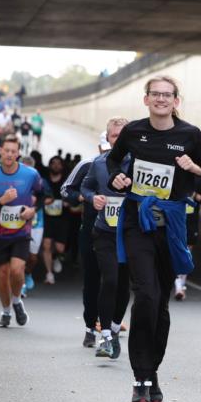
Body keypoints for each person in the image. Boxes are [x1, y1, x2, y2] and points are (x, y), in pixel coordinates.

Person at [106, 75, 201, 402]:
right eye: (155, 94)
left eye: (167, 95)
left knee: (160, 304)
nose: (160, 99)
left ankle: (152, 371)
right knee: (145, 294)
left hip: (171, 226)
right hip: (137, 221)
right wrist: (117, 176)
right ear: (146, 100)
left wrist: (195, 168)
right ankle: (139, 378)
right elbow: (113, 160)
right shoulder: (133, 132)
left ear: (176, 101)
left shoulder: (190, 135)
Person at [81, 117, 132, 358]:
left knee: (124, 285)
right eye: (114, 137)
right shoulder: (99, 163)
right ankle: (106, 337)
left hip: (131, 234)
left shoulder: (139, 164)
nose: (119, 140)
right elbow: (86, 186)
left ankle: (113, 327)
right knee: (109, 280)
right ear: (108, 139)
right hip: (105, 233)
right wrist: (93, 198)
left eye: (123, 136)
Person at [0, 135, 44, 327]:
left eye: (13, 151)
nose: (9, 154)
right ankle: (6, 311)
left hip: (21, 232)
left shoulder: (31, 174)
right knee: (3, 273)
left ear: (18, 154)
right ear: (0, 151)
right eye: (6, 150)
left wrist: (33, 210)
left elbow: (42, 196)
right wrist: (2, 200)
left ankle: (17, 300)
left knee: (17, 270)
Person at [62, 138, 104, 350]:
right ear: (100, 147)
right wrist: (84, 197)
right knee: (92, 280)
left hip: (121, 232)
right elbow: (65, 190)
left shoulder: (132, 164)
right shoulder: (89, 164)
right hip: (92, 231)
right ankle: (90, 326)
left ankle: (110, 326)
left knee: (116, 280)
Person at [174, 178, 201, 301]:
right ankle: (178, 282)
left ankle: (181, 283)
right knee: (175, 250)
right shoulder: (176, 175)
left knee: (187, 251)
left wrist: (199, 197)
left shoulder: (199, 180)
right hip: (176, 218)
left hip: (191, 221)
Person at [19, 154, 49, 295]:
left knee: (32, 257)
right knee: (20, 255)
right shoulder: (15, 181)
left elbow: (48, 198)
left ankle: (28, 274)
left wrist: (35, 204)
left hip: (37, 223)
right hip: (18, 223)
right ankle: (21, 285)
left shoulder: (41, 182)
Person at [41, 155, 69, 283]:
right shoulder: (44, 181)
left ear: (62, 166)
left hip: (62, 218)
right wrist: (43, 201)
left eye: (59, 163)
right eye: (54, 163)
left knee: (60, 248)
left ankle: (57, 257)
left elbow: (73, 195)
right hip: (47, 217)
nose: (56, 165)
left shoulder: (67, 181)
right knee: (46, 245)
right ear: (50, 165)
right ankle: (49, 273)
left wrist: (68, 202)